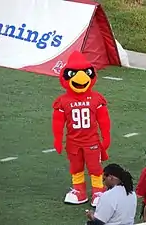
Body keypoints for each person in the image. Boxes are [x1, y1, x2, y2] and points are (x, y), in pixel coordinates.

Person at [52, 51, 111, 207]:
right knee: (76, 167)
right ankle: (79, 191)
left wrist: (106, 136)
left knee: (95, 167)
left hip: (91, 140)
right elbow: (58, 122)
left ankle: (98, 191)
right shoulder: (62, 101)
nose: (80, 78)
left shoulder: (96, 98)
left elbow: (104, 119)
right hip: (73, 141)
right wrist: (58, 139)